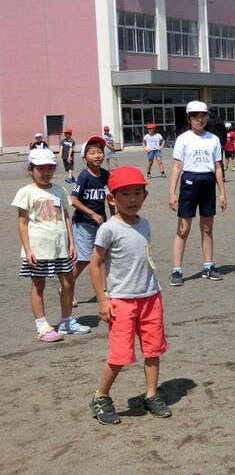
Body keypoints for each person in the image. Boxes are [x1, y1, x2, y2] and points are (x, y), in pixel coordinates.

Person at [88, 166, 171, 424]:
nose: (132, 199)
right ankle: (101, 396)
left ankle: (151, 394)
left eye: (137, 193)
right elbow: (95, 263)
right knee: (120, 354)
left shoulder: (144, 224)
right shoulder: (108, 229)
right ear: (112, 198)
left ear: (145, 196)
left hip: (150, 296)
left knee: (153, 349)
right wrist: (102, 299)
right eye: (125, 194)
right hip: (121, 300)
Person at [12, 148, 87, 342]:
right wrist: (27, 249)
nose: (46, 172)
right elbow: (22, 222)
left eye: (50, 168)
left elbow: (66, 217)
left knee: (68, 282)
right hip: (38, 249)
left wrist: (72, 243)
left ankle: (66, 321)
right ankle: (42, 326)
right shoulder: (26, 192)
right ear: (31, 169)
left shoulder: (60, 190)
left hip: (60, 247)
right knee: (38, 285)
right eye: (41, 168)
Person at [168, 101, 227, 286]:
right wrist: (171, 192)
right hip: (189, 182)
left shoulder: (213, 139)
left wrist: (222, 193)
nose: (199, 119)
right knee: (183, 229)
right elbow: (177, 166)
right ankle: (177, 270)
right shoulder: (183, 139)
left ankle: (208, 266)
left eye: (202, 115)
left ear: (207, 117)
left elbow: (218, 167)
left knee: (207, 228)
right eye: (195, 116)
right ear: (189, 118)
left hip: (208, 182)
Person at [70, 136, 114, 307]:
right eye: (92, 153)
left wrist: (113, 218)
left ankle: (104, 290)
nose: (97, 155)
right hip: (83, 224)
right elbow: (73, 200)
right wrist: (92, 214)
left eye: (100, 152)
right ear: (84, 158)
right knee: (84, 260)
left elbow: (110, 198)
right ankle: (66, 288)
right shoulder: (84, 176)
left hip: (100, 224)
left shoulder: (105, 175)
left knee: (101, 257)